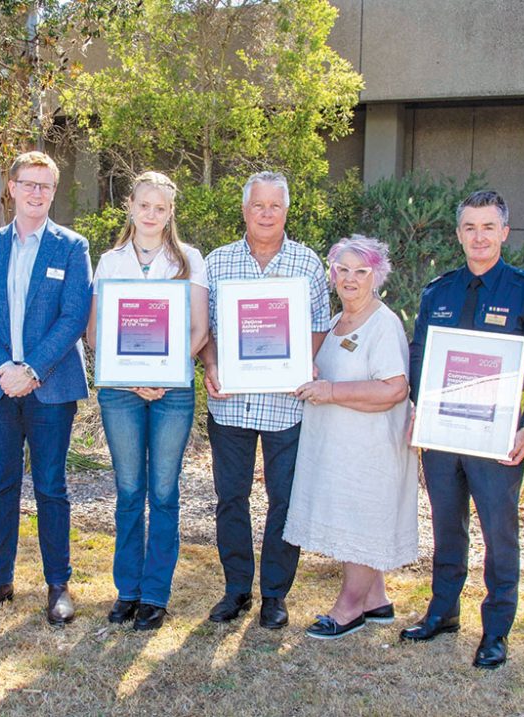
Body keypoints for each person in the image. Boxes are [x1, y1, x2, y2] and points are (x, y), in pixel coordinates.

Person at [402, 190, 524, 668]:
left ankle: (496, 629)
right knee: (448, 528)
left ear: (504, 232)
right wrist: (421, 405)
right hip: (444, 437)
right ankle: (443, 611)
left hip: (497, 441)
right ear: (458, 234)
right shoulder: (439, 291)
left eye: (488, 227)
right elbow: (420, 355)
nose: (479, 236)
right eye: (469, 227)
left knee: (500, 535)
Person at [0, 151, 93, 625]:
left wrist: (32, 369)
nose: (36, 193)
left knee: (52, 487)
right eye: (28, 184)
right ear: (11, 187)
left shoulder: (72, 247)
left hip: (51, 387)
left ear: (53, 192)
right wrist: (3, 368)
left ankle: (58, 584)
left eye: (45, 186)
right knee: (0, 485)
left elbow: (74, 316)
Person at [199, 171, 331, 630]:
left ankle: (275, 593)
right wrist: (212, 365)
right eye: (259, 205)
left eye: (276, 205)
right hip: (231, 403)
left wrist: (297, 365)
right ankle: (237, 589)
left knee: (285, 501)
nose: (267, 213)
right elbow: (205, 330)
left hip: (286, 403)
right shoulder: (217, 263)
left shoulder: (308, 264)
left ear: (287, 210)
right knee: (230, 498)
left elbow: (319, 326)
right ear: (245, 209)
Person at [84, 171, 209, 631]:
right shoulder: (110, 260)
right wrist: (134, 377)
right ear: (130, 207)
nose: (151, 214)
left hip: (173, 391)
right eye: (144, 206)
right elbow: (96, 332)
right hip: (121, 393)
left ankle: (155, 593)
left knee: (164, 491)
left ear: (170, 212)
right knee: (129, 490)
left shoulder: (190, 259)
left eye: (160, 207)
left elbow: (199, 330)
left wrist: (160, 372)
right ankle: (127, 591)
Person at [285, 236, 418, 639]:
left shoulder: (383, 323)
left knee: (362, 522)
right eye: (342, 269)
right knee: (352, 521)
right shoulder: (333, 322)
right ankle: (375, 598)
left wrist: (331, 392)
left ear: (376, 275)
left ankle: (347, 610)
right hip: (340, 449)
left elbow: (395, 388)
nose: (350, 278)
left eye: (361, 271)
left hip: (371, 449)